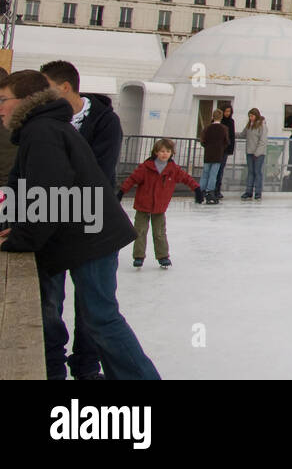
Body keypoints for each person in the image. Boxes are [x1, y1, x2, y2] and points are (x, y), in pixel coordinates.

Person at [0, 69, 160, 380]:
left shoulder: (42, 131)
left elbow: (49, 194)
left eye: (3, 99)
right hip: (84, 235)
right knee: (99, 318)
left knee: (101, 318)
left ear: (25, 101)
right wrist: (16, 227)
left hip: (92, 238)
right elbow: (23, 186)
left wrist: (22, 238)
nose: (0, 107)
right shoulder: (42, 128)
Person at [38, 60, 124, 379]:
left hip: (92, 228)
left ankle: (86, 366)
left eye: (45, 88)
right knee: (50, 301)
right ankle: (52, 366)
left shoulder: (105, 122)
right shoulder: (47, 122)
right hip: (52, 228)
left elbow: (98, 176)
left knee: (93, 306)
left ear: (64, 87)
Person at [119, 138, 200, 268]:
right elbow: (132, 178)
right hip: (143, 204)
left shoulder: (173, 169)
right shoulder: (146, 167)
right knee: (140, 231)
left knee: (159, 232)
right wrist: (122, 191)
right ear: (156, 152)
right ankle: (139, 256)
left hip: (160, 207)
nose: (164, 154)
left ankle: (163, 256)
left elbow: (186, 178)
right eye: (162, 151)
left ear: (171, 153)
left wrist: (196, 188)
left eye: (168, 151)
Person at [200, 109, 228, 204]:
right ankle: (210, 192)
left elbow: (203, 141)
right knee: (213, 174)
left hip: (208, 154)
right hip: (218, 154)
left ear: (213, 116)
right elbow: (226, 141)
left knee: (205, 173)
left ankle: (200, 191)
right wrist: (221, 148)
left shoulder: (207, 128)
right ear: (221, 117)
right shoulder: (224, 128)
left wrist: (207, 146)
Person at [239, 108, 268, 200]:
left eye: (252, 116)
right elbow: (242, 134)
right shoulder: (249, 125)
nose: (250, 118)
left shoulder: (262, 125)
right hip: (249, 152)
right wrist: (230, 133)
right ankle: (248, 191)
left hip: (258, 154)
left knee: (257, 172)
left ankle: (258, 193)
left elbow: (263, 140)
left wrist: (257, 153)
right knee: (250, 172)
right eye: (249, 116)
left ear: (256, 115)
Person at [218, 105, 237, 200]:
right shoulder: (218, 121)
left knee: (221, 169)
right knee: (215, 170)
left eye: (229, 111)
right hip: (217, 149)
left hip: (225, 149)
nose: (227, 113)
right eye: (226, 111)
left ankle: (217, 189)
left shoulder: (231, 122)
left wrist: (231, 149)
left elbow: (232, 136)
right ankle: (211, 189)